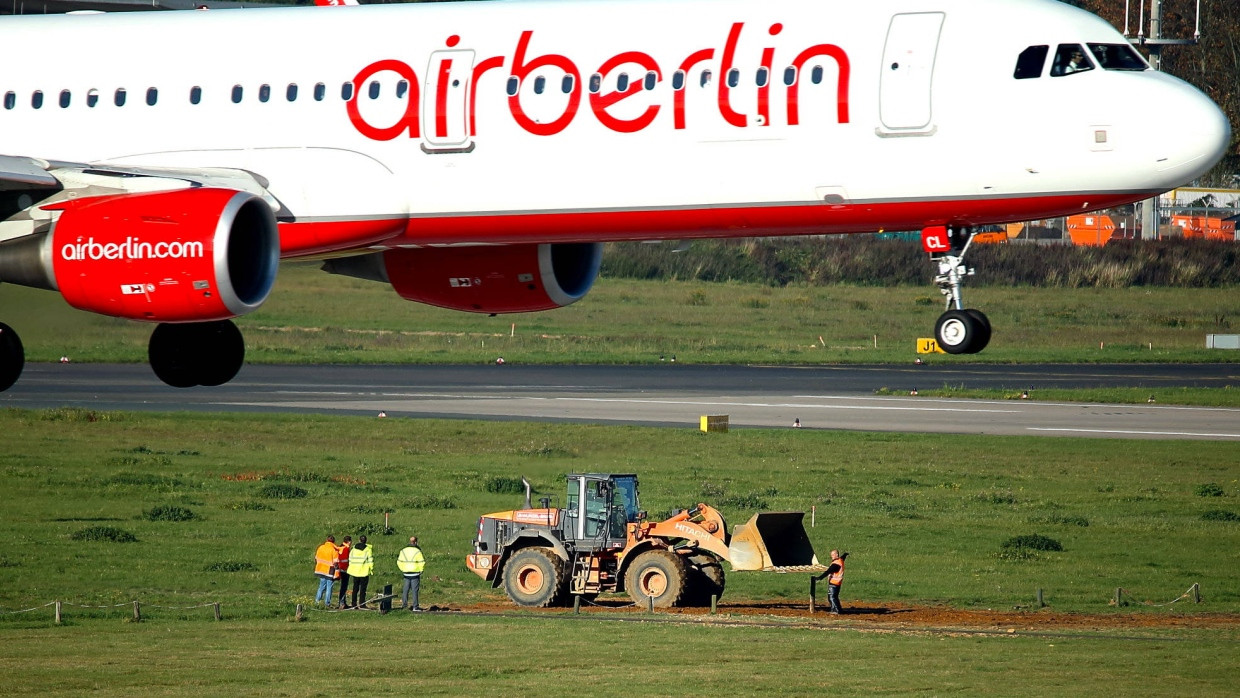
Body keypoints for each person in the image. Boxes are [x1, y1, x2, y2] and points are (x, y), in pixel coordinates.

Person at [397, 536, 427, 612]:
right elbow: (421, 562)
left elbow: (399, 562)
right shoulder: (417, 551)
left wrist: (403, 569)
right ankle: (415, 606)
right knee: (414, 590)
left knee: (405, 590)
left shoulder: (403, 551)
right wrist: (421, 570)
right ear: (416, 542)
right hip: (415, 573)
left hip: (406, 573)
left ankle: (404, 606)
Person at [348, 535, 374, 608]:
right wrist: (371, 569)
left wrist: (352, 567)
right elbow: (370, 560)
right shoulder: (368, 549)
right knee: (363, 589)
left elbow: (350, 559)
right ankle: (362, 604)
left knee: (355, 588)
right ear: (366, 541)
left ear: (359, 540)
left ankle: (354, 603)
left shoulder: (353, 549)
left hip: (355, 571)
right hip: (364, 571)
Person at [313, 535, 338, 607]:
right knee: (329, 587)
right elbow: (335, 562)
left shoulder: (321, 547)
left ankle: (317, 601)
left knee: (321, 586)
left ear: (327, 540)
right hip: (330, 570)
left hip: (320, 569)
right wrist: (337, 572)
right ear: (333, 542)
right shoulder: (334, 550)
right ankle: (327, 603)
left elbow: (316, 558)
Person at [826, 549, 847, 614]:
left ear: (836, 555)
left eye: (832, 555)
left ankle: (837, 610)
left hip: (834, 582)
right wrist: (845, 554)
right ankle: (834, 609)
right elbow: (842, 558)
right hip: (837, 582)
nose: (831, 556)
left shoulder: (837, 562)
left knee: (832, 597)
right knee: (832, 597)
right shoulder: (840, 560)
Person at [335, 535, 353, 608]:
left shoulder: (340, 547)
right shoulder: (346, 549)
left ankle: (342, 602)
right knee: (344, 587)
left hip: (339, 569)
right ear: (349, 542)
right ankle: (342, 603)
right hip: (344, 570)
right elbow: (345, 560)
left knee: (342, 587)